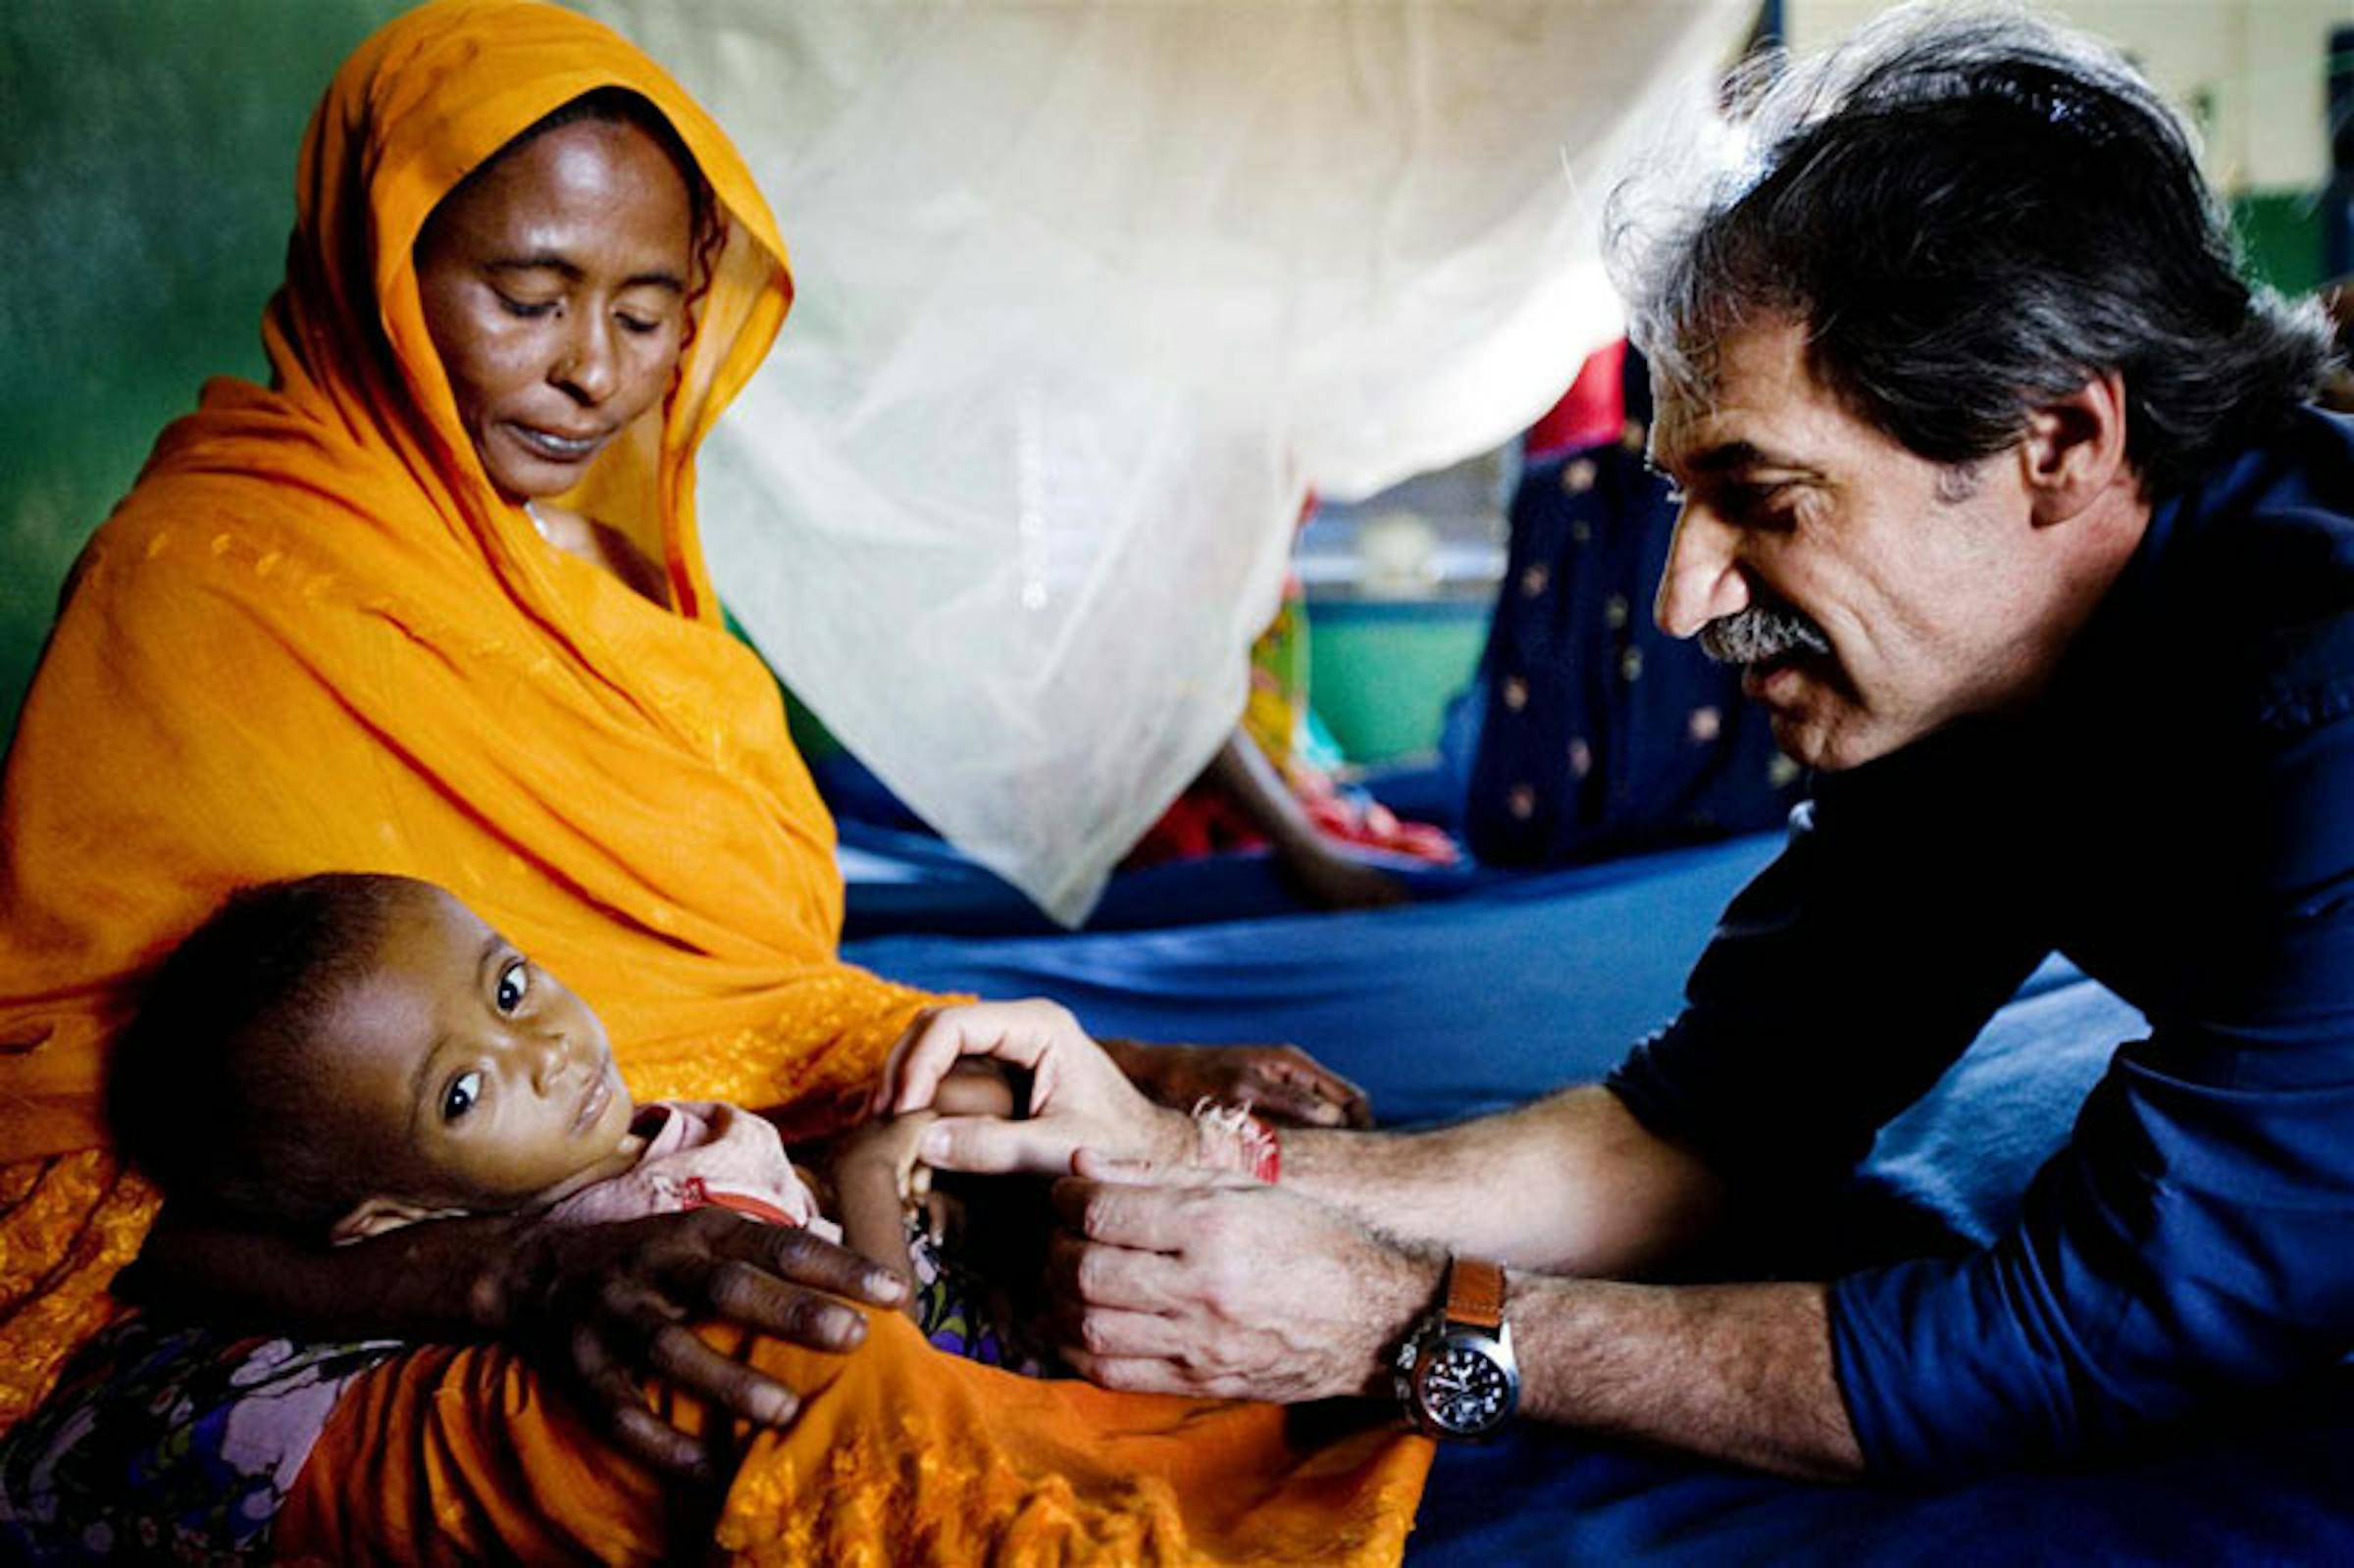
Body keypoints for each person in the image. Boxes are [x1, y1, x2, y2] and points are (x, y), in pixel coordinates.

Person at [0, 1, 1412, 1559]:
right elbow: (71, 1178)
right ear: (380, 263)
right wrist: (506, 1274)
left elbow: (742, 993)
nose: (589, 374)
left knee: (1054, 1184)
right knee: (676, 1403)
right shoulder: (210, 585)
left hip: (674, 1173)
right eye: (527, 297)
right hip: (385, 1279)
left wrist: (1107, 1052)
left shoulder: (634, 586)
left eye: (648, 308)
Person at [883, 4, 2354, 1486]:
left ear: (2059, 443)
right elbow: (1702, 1136)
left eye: (1766, 498)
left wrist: (1406, 1326)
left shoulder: (2325, 700)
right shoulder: (1958, 687)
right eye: (1680, 503)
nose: (1680, 600)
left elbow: (2072, 1341)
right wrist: (1191, 1154)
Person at [109, 872, 1058, 1366]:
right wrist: (864, 1174)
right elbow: (874, 1348)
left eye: (511, 987)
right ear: (394, 1220)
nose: (547, 1050)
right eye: (463, 1094)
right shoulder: (656, 1224)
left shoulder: (609, 1152)